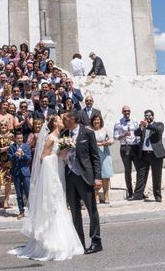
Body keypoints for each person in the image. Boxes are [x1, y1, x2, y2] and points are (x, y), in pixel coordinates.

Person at [8, 115, 84, 261]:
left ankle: (65, 240)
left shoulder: (60, 137)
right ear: (55, 123)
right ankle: (51, 243)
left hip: (59, 171)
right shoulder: (50, 138)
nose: (64, 121)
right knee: (54, 205)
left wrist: (63, 154)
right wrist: (59, 155)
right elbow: (43, 157)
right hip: (52, 174)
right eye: (61, 120)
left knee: (61, 204)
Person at [61, 110, 103, 254]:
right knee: (75, 212)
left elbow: (95, 157)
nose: (63, 120)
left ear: (73, 119)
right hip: (70, 176)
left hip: (85, 176)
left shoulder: (88, 133)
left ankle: (96, 241)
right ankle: (79, 241)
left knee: (92, 210)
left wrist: (98, 178)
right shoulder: (64, 135)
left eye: (65, 118)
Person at [132, 109, 165, 202]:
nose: (147, 117)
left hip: (156, 155)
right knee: (141, 175)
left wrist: (148, 125)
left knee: (156, 176)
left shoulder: (159, 124)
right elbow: (136, 133)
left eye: (149, 115)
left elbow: (158, 130)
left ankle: (157, 195)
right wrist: (142, 128)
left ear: (153, 116)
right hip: (144, 154)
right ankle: (138, 195)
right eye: (145, 115)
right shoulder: (144, 126)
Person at [113, 105, 140, 199]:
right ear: (122, 112)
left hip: (135, 147)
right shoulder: (118, 122)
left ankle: (139, 191)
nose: (126, 112)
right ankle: (131, 192)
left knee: (139, 170)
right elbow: (115, 137)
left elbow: (138, 132)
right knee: (128, 171)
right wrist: (123, 135)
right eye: (125, 111)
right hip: (125, 147)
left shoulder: (135, 121)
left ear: (130, 111)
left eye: (128, 111)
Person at [90, 111, 114, 204]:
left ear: (100, 121)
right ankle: (96, 195)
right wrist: (99, 144)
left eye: (98, 119)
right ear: (92, 121)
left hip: (105, 153)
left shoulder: (105, 129)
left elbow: (112, 139)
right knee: (96, 175)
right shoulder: (90, 130)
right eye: (95, 120)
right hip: (94, 153)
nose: (96, 121)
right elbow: (89, 142)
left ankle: (106, 195)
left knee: (105, 175)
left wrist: (108, 142)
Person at [8, 131, 32, 219]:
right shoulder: (12, 147)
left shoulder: (26, 146)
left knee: (28, 192)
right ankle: (21, 211)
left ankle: (32, 210)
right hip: (16, 172)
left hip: (25, 172)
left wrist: (23, 155)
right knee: (19, 194)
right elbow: (9, 158)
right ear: (15, 139)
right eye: (18, 138)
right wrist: (15, 155)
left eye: (21, 138)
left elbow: (29, 157)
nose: (20, 140)